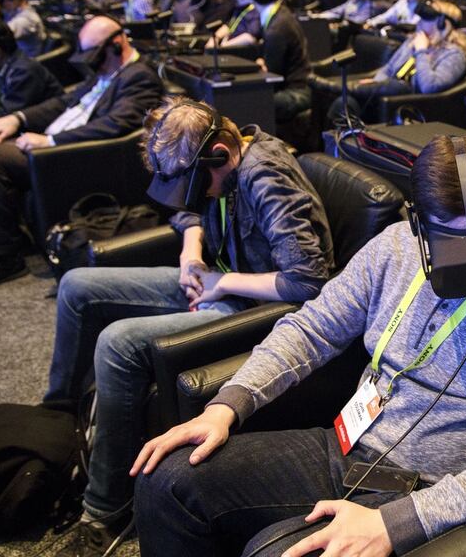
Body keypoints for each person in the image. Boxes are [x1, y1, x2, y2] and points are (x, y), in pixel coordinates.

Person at [131, 132, 466, 557]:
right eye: (452, 235)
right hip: (347, 445)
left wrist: (398, 523)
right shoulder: (395, 247)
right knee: (169, 480)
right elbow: (311, 328)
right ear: (419, 223)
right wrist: (228, 404)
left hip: (432, 486)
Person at [45, 97, 334, 556]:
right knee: (78, 285)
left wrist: (221, 283)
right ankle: (57, 418)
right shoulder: (220, 161)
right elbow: (187, 208)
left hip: (250, 304)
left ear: (220, 152)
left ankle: (104, 507)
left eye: (196, 183)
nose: (191, 194)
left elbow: (309, 280)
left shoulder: (265, 176)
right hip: (215, 275)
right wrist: (191, 252)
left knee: (117, 343)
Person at [0, 15, 164, 293]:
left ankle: (3, 257)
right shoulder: (104, 72)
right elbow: (65, 102)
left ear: (116, 43)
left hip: (65, 157)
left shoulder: (139, 76)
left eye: (92, 53)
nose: (88, 60)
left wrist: (50, 141)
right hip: (48, 145)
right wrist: (19, 118)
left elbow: (116, 125)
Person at [329, 0, 466, 122]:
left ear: (441, 24)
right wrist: (377, 82)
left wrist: (421, 51)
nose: (419, 23)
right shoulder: (413, 41)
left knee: (398, 86)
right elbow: (389, 68)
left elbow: (428, 87)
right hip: (385, 98)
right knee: (344, 103)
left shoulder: (454, 54)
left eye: (426, 19)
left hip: (413, 105)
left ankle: (336, 87)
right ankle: (338, 148)